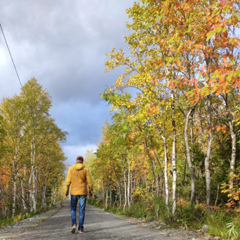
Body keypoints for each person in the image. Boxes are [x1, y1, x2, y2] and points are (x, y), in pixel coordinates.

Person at [65, 155, 93, 234]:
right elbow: (90, 182)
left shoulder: (71, 169)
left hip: (74, 192)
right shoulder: (85, 169)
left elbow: (67, 182)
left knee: (73, 209)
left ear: (76, 161)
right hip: (83, 192)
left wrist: (66, 192)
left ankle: (74, 224)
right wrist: (91, 192)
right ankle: (80, 228)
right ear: (82, 161)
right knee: (82, 210)